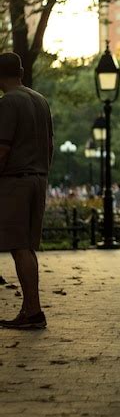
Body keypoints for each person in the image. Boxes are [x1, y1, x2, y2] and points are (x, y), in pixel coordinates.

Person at [0, 53, 53, 329]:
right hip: (38, 178)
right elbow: (50, 145)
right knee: (28, 247)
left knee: (19, 247)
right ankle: (29, 309)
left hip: (15, 181)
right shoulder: (40, 100)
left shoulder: (8, 103)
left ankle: (33, 311)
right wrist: (43, 173)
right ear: (20, 72)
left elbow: (3, 148)